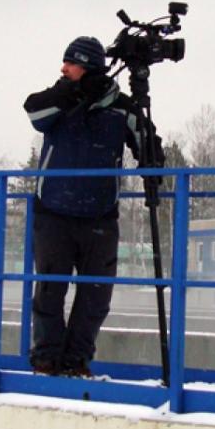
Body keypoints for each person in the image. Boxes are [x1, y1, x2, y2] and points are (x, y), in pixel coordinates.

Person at [23, 36, 142, 377]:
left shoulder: (121, 107)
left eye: (71, 63)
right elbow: (34, 112)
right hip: (53, 213)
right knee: (49, 292)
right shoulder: (58, 99)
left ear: (88, 66)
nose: (63, 68)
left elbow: (146, 142)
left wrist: (152, 156)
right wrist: (73, 92)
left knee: (95, 298)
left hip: (100, 216)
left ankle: (76, 361)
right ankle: (46, 360)